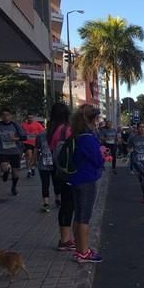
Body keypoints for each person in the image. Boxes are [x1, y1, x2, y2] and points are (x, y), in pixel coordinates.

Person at [70, 104, 104, 263]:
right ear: (93, 120)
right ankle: (84, 252)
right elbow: (98, 161)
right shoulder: (87, 138)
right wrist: (102, 154)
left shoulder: (77, 136)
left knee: (78, 216)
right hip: (87, 180)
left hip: (76, 179)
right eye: (97, 118)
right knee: (84, 217)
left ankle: (79, 249)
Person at [46, 102, 75, 251]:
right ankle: (66, 239)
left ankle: (65, 238)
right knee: (69, 205)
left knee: (65, 204)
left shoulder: (51, 129)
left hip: (57, 170)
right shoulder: (66, 129)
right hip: (68, 171)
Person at [0, 108, 25, 196]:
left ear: (11, 116)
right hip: (3, 151)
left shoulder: (15, 125)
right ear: (1, 116)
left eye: (7, 115)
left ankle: (14, 187)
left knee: (15, 173)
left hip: (14, 151)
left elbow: (24, 137)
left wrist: (15, 139)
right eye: (4, 115)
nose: (5, 117)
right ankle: (6, 172)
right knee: (4, 167)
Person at [36, 128, 57, 212]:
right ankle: (46, 203)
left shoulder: (59, 135)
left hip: (56, 164)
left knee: (56, 183)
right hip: (43, 164)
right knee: (45, 183)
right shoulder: (40, 136)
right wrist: (34, 160)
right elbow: (36, 148)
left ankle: (57, 198)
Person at [22, 112, 45, 178]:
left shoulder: (37, 124)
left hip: (35, 143)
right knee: (29, 155)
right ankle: (29, 170)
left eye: (31, 118)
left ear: (33, 118)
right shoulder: (23, 125)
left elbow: (43, 132)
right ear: (27, 118)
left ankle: (32, 168)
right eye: (29, 118)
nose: (30, 119)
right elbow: (20, 133)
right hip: (27, 143)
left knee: (34, 158)